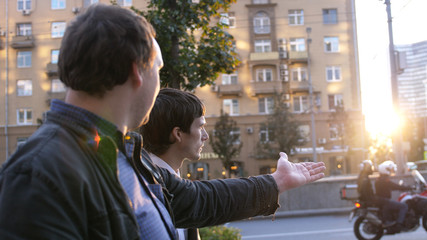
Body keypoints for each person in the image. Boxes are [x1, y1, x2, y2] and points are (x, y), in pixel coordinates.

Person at [0, 4, 326, 240]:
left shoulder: (126, 154)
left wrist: (275, 183)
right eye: (157, 68)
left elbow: (195, 201)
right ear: (135, 71)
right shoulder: (38, 175)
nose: (160, 82)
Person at [375, 160, 412, 233]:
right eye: (389, 170)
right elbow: (394, 186)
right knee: (403, 206)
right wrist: (407, 187)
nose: (391, 171)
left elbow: (393, 186)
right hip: (385, 201)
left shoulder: (380, 179)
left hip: (383, 200)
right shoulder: (384, 180)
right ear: (385, 170)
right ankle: (399, 225)